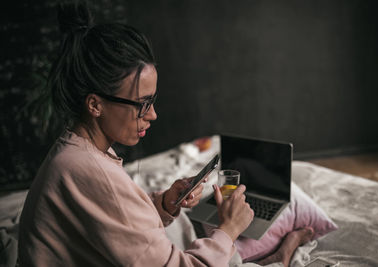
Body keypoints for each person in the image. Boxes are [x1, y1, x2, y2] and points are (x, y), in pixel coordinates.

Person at [18, 1, 313, 266]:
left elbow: (112, 222)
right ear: (95, 104)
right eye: (142, 104)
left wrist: (162, 204)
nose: (153, 115)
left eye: (153, 101)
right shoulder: (88, 170)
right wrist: (229, 229)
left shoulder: (78, 150)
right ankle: (280, 256)